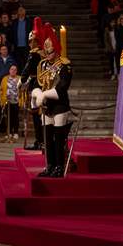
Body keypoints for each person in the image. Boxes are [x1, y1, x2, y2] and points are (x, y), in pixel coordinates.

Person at [33, 27, 72, 178]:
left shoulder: (64, 65)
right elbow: (37, 82)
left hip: (60, 105)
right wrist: (37, 94)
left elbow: (62, 87)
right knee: (47, 138)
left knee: (58, 138)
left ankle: (59, 166)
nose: (48, 55)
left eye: (50, 52)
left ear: (56, 51)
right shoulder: (43, 65)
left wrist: (45, 94)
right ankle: (49, 165)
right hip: (47, 105)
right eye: (46, 52)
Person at [20, 18, 46, 150]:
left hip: (37, 86)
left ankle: (39, 141)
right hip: (42, 85)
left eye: (31, 41)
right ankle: (41, 140)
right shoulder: (44, 53)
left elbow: (27, 70)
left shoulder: (34, 54)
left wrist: (22, 80)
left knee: (37, 116)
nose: (30, 44)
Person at [0, 65, 21, 140]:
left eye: (15, 70)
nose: (13, 71)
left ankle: (15, 133)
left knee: (15, 117)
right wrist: (2, 101)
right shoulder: (5, 79)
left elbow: (22, 90)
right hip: (7, 102)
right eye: (12, 69)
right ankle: (9, 133)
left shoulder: (19, 78)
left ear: (16, 71)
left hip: (16, 101)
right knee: (8, 118)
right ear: (9, 70)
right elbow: (1, 91)